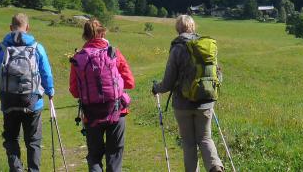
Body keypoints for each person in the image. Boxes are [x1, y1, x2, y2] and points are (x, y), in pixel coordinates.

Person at [152, 15, 224, 172]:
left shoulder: (177, 48)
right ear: (193, 27)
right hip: (205, 101)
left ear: (178, 28)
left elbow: (168, 82)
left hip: (183, 104)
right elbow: (218, 74)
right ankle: (215, 167)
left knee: (189, 142)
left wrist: (156, 88)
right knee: (205, 138)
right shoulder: (206, 46)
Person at [0, 13, 55, 172]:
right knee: (33, 142)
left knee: (11, 139)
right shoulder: (37, 48)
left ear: (10, 28)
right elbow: (46, 74)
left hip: (8, 102)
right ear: (28, 28)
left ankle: (16, 169)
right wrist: (50, 91)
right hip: (33, 103)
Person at [70, 19, 135, 172]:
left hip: (91, 114)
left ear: (85, 36)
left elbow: (74, 91)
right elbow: (130, 82)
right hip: (116, 111)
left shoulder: (78, 58)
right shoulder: (113, 52)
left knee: (94, 156)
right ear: (103, 32)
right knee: (114, 155)